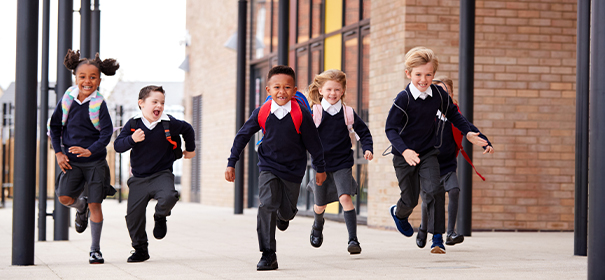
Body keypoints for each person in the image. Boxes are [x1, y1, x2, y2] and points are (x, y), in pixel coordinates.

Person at [384, 46, 489, 254]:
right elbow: (390, 129)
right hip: (404, 155)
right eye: (418, 75)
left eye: (429, 74)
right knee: (411, 199)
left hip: (429, 152)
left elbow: (454, 114)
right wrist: (405, 151)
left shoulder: (439, 95)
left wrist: (468, 133)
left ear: (433, 74)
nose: (423, 80)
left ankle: (438, 239)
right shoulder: (403, 99)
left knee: (434, 190)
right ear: (409, 74)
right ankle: (399, 213)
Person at [225, 65, 326, 271]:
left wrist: (320, 168)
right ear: (268, 90)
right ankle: (268, 254)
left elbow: (314, 143)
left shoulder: (301, 113)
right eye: (277, 87)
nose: (282, 91)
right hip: (268, 166)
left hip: (293, 170)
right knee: (267, 204)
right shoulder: (262, 112)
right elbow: (243, 135)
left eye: (287, 87)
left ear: (295, 90)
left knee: (287, 212)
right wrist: (231, 162)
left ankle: (283, 216)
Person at [49, 49, 119, 264]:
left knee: (95, 205)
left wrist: (91, 150)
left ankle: (95, 250)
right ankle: (80, 208)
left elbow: (107, 133)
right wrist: (59, 153)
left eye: (93, 77)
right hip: (71, 162)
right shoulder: (67, 100)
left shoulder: (99, 104)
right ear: (75, 77)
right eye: (83, 77)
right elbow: (54, 127)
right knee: (64, 198)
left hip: (95, 163)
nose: (87, 81)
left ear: (99, 79)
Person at [114, 85, 196, 263]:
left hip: (161, 174)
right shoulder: (133, 124)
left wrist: (190, 149)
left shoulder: (169, 123)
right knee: (133, 217)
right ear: (141, 103)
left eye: (162, 103)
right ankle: (140, 249)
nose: (159, 106)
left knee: (169, 196)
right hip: (138, 179)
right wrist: (131, 139)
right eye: (155, 102)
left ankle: (160, 216)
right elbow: (118, 146)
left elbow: (188, 129)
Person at [415, 77, 494, 249]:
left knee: (454, 191)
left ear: (451, 95)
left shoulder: (454, 115)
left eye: (447, 93)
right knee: (428, 200)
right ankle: (422, 228)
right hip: (429, 165)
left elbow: (470, 128)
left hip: (448, 165)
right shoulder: (427, 114)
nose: (443, 96)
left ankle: (450, 233)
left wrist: (486, 142)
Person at [305, 69, 373, 254]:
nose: (333, 93)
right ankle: (317, 225)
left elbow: (363, 133)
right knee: (320, 205)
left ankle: (353, 240)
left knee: (345, 198)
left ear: (343, 91)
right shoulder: (314, 112)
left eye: (337, 89)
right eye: (329, 89)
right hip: (321, 166)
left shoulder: (348, 113)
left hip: (343, 162)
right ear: (320, 91)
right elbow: (303, 135)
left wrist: (367, 148)